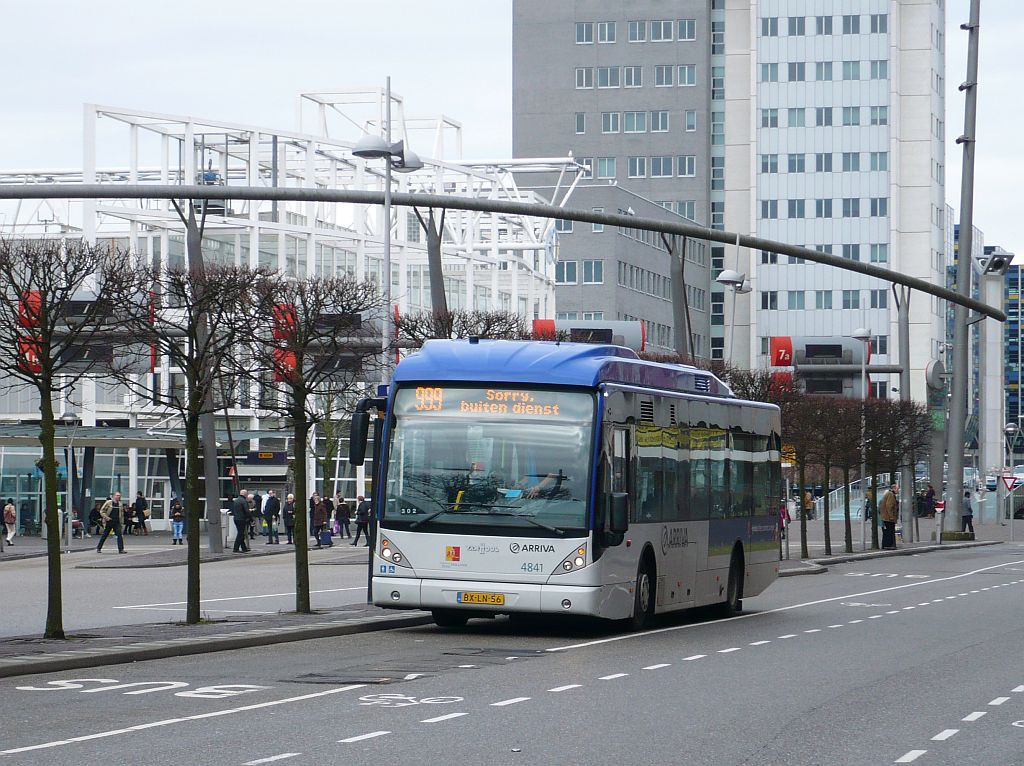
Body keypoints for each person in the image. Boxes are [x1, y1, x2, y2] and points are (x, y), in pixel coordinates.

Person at [879, 482, 899, 550]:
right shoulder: (890, 495)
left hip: (885, 517)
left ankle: (886, 545)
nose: (898, 490)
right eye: (897, 489)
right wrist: (891, 516)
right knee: (889, 531)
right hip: (888, 518)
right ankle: (888, 545)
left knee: (887, 531)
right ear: (894, 488)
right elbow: (889, 506)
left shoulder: (888, 494)